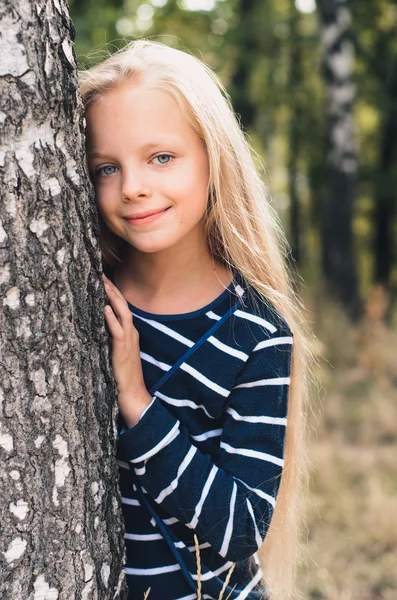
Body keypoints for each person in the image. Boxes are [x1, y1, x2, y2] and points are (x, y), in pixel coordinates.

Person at [79, 40, 310, 600]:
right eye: (108, 167)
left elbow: (241, 528)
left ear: (214, 156)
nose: (132, 186)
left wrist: (136, 401)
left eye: (161, 157)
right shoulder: (79, 296)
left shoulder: (254, 332)